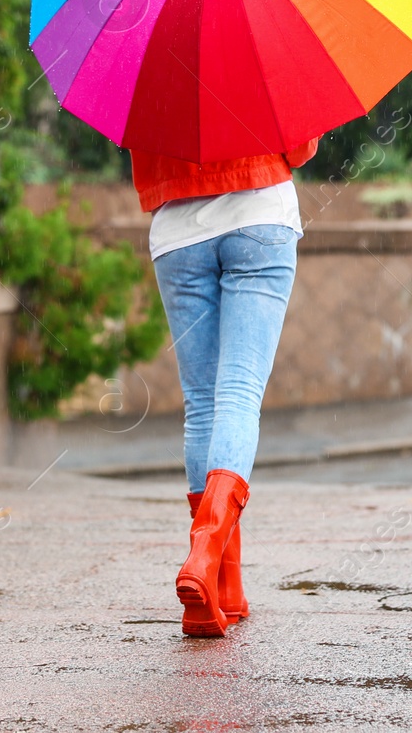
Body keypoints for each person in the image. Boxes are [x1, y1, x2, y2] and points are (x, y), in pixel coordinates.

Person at [130, 138, 320, 637]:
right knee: (238, 393)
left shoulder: (149, 61)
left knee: (202, 405)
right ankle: (206, 553)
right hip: (260, 211)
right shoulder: (263, 57)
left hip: (178, 232)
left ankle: (221, 587)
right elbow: (299, 147)